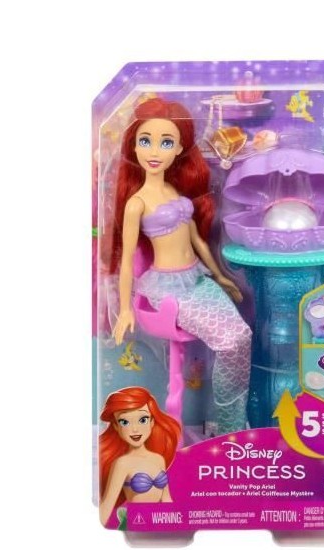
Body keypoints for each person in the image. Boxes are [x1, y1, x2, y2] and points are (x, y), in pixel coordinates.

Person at [111, 97, 252, 433]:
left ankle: (230, 423)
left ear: (178, 149)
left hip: (197, 280)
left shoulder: (174, 190)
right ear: (134, 145)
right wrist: (126, 309)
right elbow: (127, 260)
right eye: (145, 140)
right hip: (168, 289)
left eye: (166, 142)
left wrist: (220, 276)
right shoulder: (137, 203)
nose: (154, 151)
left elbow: (198, 242)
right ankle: (227, 427)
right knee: (230, 341)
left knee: (242, 336)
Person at [99, 387, 181, 526]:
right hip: (135, 522)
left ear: (152, 421)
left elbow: (166, 498)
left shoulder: (158, 459)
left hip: (158, 521)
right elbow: (107, 505)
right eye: (124, 422)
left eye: (143, 420)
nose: (135, 429)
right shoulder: (123, 463)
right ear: (116, 427)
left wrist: (176, 522)